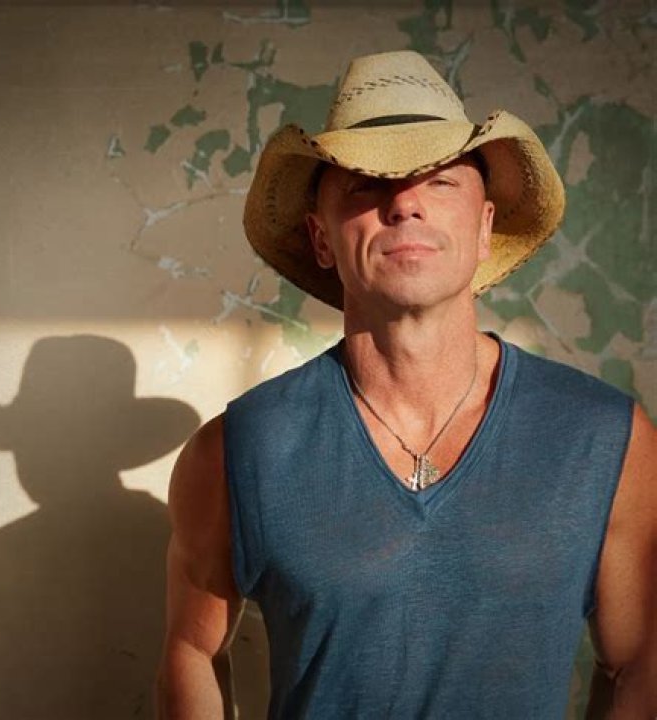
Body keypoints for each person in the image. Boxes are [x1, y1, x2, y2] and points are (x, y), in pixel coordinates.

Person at [156, 51, 656, 718]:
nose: (405, 204)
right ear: (322, 238)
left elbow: (638, 661)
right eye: (365, 186)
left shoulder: (605, 438)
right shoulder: (238, 449)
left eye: (440, 181)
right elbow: (191, 649)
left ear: (484, 227)